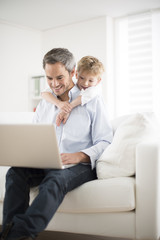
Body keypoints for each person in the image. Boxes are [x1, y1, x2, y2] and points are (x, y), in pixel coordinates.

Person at [0, 48, 113, 240]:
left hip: (79, 165)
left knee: (56, 180)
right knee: (15, 172)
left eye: (60, 78)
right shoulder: (45, 103)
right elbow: (35, 135)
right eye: (49, 78)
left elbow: (105, 140)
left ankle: (17, 235)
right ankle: (10, 231)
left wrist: (80, 155)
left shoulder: (92, 100)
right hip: (49, 161)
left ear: (73, 73)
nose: (54, 84)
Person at [41, 55, 104, 126]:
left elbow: (86, 96)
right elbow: (44, 93)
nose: (85, 83)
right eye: (82, 78)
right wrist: (59, 103)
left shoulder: (94, 91)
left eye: (91, 80)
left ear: (98, 81)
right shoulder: (70, 82)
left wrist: (68, 108)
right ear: (76, 74)